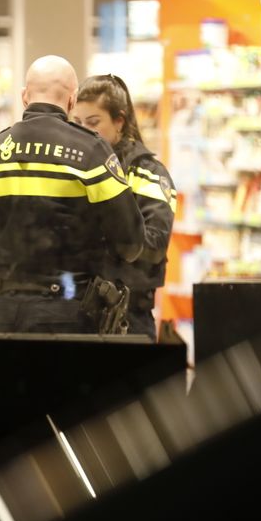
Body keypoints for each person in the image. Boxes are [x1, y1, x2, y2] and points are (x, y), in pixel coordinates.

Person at [0, 55, 144, 334]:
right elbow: (130, 244)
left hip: (7, 313)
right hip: (73, 313)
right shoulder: (91, 152)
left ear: (24, 97)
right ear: (72, 100)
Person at [73, 74, 177, 341]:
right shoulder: (74, 168)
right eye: (77, 123)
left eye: (93, 122)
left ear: (119, 120)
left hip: (128, 318)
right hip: (75, 316)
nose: (84, 130)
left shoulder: (149, 173)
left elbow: (154, 246)